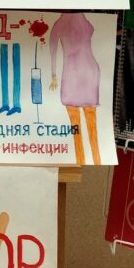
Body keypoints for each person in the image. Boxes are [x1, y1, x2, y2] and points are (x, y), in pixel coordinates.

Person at [49, 12, 101, 165]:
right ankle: (96, 159)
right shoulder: (84, 20)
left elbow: (53, 50)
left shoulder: (59, 24)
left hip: (71, 74)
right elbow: (91, 30)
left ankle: (81, 161)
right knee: (92, 125)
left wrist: (53, 75)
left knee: (75, 127)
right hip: (90, 71)